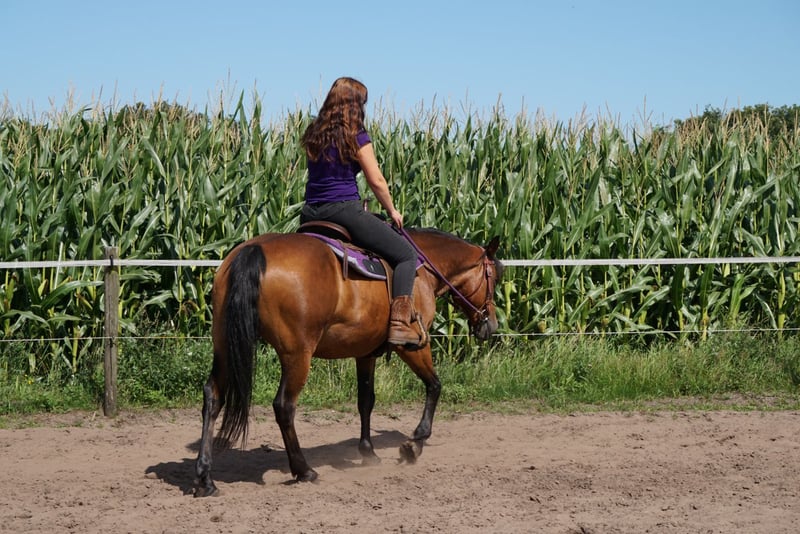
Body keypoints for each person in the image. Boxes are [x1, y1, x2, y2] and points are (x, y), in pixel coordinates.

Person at [300, 76, 427, 349]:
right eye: (362, 103)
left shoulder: (313, 133)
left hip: (310, 214)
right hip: (344, 211)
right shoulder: (355, 135)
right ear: (354, 105)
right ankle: (399, 324)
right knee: (406, 254)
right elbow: (376, 180)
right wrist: (392, 210)